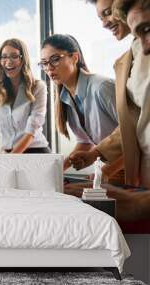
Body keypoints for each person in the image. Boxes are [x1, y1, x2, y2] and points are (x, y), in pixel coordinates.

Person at [71, 0, 150, 188]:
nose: (104, 23)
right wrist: (95, 153)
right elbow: (132, 122)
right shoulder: (128, 59)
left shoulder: (101, 86)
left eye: (107, 13)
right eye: (100, 18)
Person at [40, 34, 118, 171]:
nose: (49, 68)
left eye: (55, 59)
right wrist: (58, 170)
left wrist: (106, 171)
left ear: (75, 58)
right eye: (44, 63)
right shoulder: (66, 97)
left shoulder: (102, 87)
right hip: (114, 167)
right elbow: (85, 141)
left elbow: (135, 134)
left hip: (134, 165)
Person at [0, 38, 50, 154]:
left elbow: (33, 127)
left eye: (14, 56)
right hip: (8, 153)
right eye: (4, 57)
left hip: (35, 152)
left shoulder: (38, 87)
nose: (8, 61)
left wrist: (11, 159)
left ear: (23, 59)